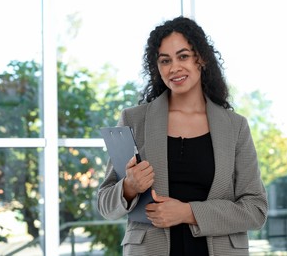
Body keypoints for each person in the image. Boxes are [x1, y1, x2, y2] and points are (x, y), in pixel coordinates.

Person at [97, 16, 268, 256]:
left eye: (183, 56)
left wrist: (187, 212)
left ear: (201, 59)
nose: (174, 67)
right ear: (156, 67)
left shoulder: (235, 127)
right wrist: (129, 186)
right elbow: (105, 204)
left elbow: (255, 209)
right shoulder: (134, 120)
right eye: (165, 60)